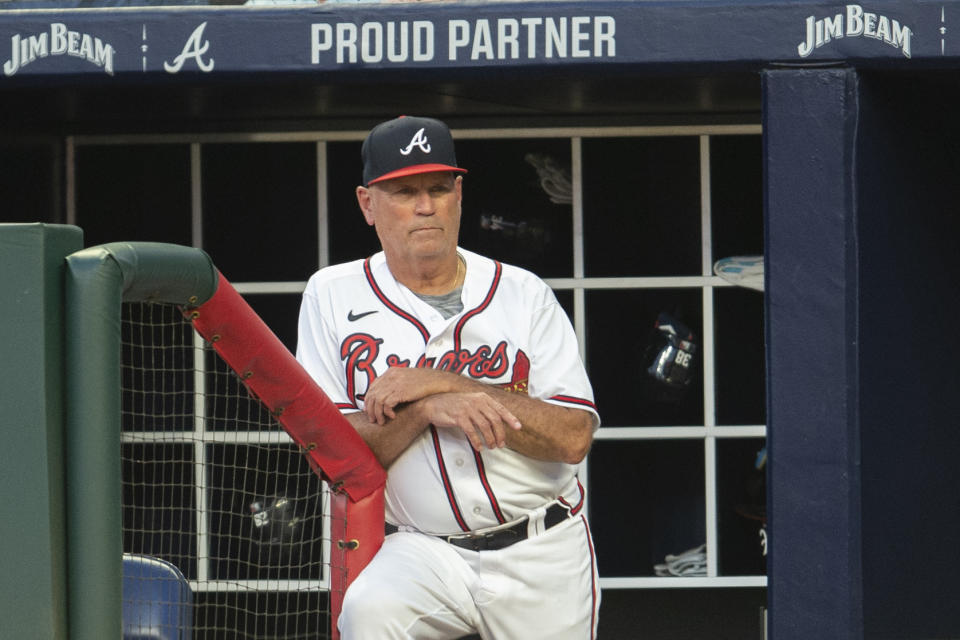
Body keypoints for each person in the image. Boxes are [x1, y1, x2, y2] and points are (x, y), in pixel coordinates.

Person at [296, 115, 601, 639]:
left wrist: (446, 382)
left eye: (438, 188)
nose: (424, 205)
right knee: (369, 614)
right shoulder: (331, 295)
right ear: (367, 204)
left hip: (540, 547)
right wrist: (428, 409)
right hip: (420, 549)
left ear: (458, 195)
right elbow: (332, 454)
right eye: (403, 191)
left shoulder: (523, 294)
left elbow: (574, 438)